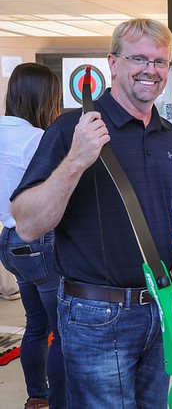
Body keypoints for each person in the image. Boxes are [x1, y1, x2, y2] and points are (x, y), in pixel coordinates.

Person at [10, 19, 172, 408]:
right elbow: (26, 223)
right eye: (138, 58)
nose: (150, 70)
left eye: (160, 61)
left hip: (159, 308)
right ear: (112, 62)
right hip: (95, 315)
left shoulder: (169, 136)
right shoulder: (72, 128)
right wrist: (76, 159)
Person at [0, 63, 65, 409]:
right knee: (61, 331)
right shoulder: (38, 138)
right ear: (46, 98)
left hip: (10, 242)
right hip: (40, 242)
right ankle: (60, 401)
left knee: (35, 326)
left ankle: (37, 397)